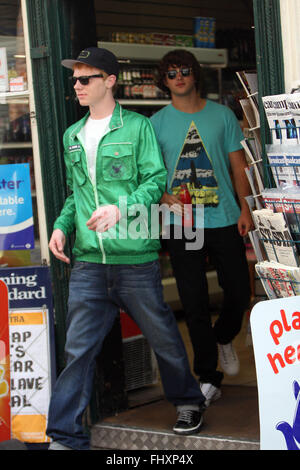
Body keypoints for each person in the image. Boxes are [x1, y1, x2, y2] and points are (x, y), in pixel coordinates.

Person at [46, 47, 206, 450]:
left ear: (110, 81)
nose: (78, 86)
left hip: (135, 259)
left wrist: (121, 209)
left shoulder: (137, 128)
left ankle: (188, 401)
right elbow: (74, 195)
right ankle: (65, 436)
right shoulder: (72, 136)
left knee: (164, 338)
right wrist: (62, 227)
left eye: (86, 78)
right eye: (75, 79)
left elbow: (155, 182)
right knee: (77, 352)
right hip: (88, 263)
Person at [150, 49, 253, 407]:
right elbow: (148, 172)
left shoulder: (222, 116)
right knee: (193, 303)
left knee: (239, 290)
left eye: (184, 71)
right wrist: (163, 197)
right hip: (182, 225)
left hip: (225, 217)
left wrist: (246, 206)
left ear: (195, 75)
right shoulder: (156, 124)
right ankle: (208, 377)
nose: (178, 77)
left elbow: (238, 165)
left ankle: (223, 336)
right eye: (171, 73)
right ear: (164, 82)